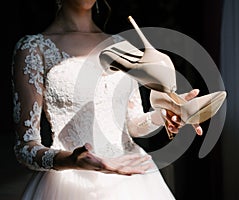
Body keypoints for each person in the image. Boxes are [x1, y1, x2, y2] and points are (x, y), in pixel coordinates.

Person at [11, 0, 203, 199]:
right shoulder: (33, 48)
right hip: (69, 185)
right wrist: (73, 161)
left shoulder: (122, 45)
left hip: (134, 181)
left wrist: (162, 115)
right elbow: (25, 148)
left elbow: (134, 125)